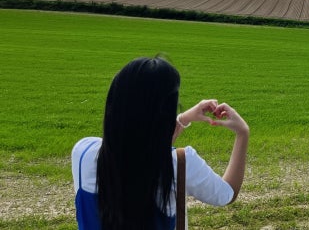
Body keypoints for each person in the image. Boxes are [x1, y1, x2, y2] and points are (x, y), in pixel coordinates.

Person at [71, 56, 250, 230]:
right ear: (164, 116)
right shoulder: (180, 164)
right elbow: (227, 194)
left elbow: (140, 151)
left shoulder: (83, 152)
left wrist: (183, 119)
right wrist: (242, 133)